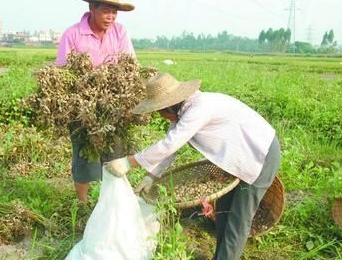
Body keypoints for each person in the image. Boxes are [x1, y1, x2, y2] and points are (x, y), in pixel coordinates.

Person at [106, 72, 281, 260]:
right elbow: (171, 148)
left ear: (170, 106)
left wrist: (128, 162)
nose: (161, 116)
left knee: (238, 220)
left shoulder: (200, 108)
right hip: (235, 159)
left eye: (160, 111)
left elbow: (170, 144)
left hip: (259, 155)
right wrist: (152, 176)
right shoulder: (182, 113)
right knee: (223, 213)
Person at [56, 0, 136, 203]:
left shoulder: (120, 32)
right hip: (81, 105)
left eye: (114, 12)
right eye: (105, 11)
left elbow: (129, 65)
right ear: (92, 8)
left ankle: (110, 202)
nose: (110, 17)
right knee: (84, 154)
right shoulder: (73, 34)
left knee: (115, 153)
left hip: (113, 104)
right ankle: (82, 203)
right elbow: (64, 72)